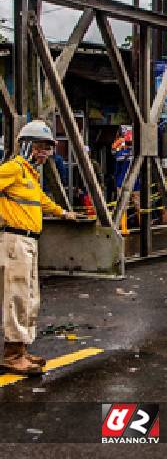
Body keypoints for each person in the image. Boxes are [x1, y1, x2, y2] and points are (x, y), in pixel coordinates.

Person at [1, 121, 78, 375]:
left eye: (47, 148)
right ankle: (12, 355)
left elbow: (40, 200)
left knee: (29, 298)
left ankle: (20, 349)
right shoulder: (13, 168)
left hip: (28, 241)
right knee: (17, 297)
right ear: (26, 145)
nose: (43, 153)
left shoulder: (29, 175)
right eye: (39, 147)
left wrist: (62, 212)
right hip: (14, 241)